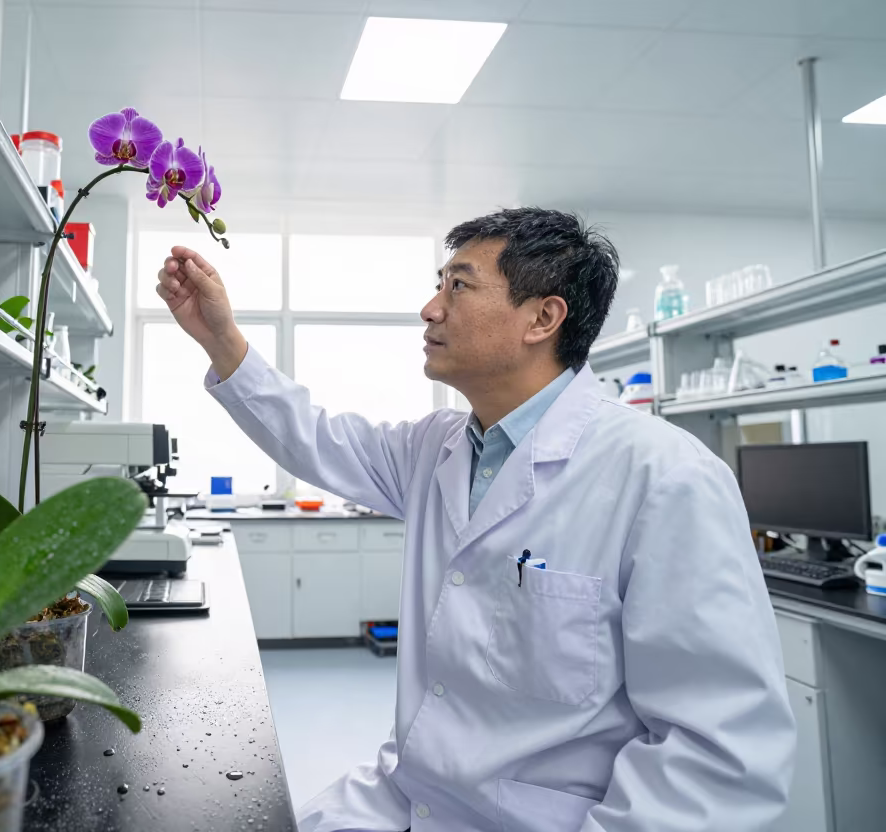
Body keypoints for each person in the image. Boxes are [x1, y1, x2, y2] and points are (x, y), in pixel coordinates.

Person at [155, 208, 795, 832]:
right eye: (439, 286)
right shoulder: (438, 447)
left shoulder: (663, 477)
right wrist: (221, 339)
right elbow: (314, 439)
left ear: (543, 317)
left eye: (458, 286)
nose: (431, 309)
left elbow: (718, 755)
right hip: (406, 796)